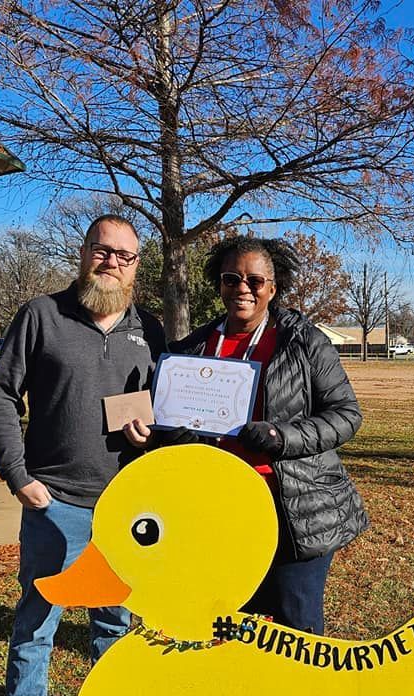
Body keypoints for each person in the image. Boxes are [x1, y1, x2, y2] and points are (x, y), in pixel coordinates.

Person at [0, 214, 166, 696]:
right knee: (36, 625)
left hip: (123, 510)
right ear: (84, 252)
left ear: (136, 267)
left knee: (114, 627)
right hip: (54, 503)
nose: (112, 262)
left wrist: (151, 435)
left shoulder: (150, 330)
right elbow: (2, 397)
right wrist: (19, 479)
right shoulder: (41, 315)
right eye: (102, 250)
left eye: (125, 255)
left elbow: (163, 410)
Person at [125, 235, 367, 635]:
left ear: (273, 287)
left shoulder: (304, 343)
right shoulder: (192, 348)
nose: (243, 288)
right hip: (218, 507)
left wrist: (282, 436)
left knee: (296, 625)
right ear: (219, 285)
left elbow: (346, 415)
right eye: (231, 278)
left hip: (294, 506)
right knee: (231, 621)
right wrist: (162, 434)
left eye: (255, 280)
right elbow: (171, 424)